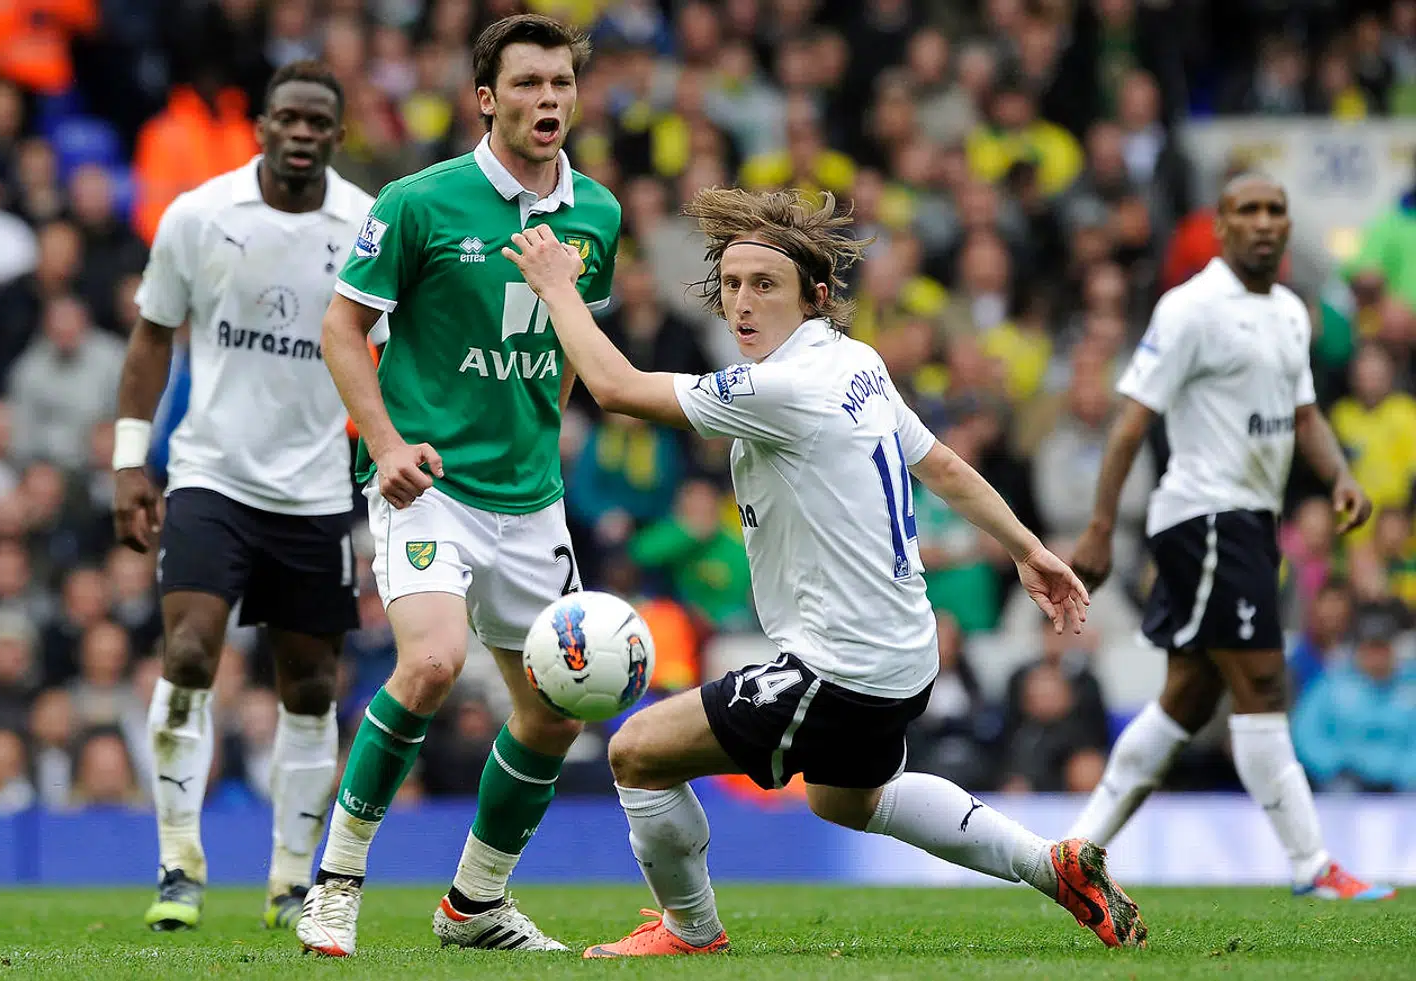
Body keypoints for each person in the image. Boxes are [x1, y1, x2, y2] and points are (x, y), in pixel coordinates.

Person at [501, 189, 1148, 956]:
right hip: (900, 655)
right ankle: (1055, 865)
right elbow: (936, 462)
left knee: (635, 752)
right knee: (847, 798)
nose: (742, 303)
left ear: (815, 297)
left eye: (764, 285)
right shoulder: (857, 361)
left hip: (841, 666)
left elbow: (613, 388)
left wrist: (556, 287)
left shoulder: (782, 385)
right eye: (732, 284)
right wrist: (1028, 546)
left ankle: (690, 930)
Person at [294, 15, 621, 958]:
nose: (547, 100)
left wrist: (540, 441)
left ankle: (473, 902)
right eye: (526, 85)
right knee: (432, 660)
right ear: (487, 99)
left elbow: (574, 348)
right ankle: (337, 881)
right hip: (423, 483)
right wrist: (386, 443)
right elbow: (341, 330)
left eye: (560, 83)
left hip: (529, 496)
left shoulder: (595, 213)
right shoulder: (418, 202)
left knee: (557, 708)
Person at [1065, 173, 1396, 902]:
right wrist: (1097, 528)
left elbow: (1304, 415)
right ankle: (1313, 865)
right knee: (1263, 682)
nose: (1265, 222)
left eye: (1277, 208)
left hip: (1250, 520)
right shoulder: (1189, 309)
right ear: (1220, 227)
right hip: (1206, 516)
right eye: (1248, 210)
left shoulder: (1288, 313)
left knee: (1186, 697)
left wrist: (1340, 477)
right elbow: (1130, 422)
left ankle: (1077, 848)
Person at [113, 61, 372, 931]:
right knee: (187, 652)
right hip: (209, 475)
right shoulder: (199, 214)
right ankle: (178, 861)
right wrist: (127, 462)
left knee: (310, 684)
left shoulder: (367, 225)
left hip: (316, 488)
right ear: (262, 125)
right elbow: (153, 336)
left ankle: (291, 879)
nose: (301, 134)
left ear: (336, 137)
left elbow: (398, 345)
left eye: (317, 123)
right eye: (288, 119)